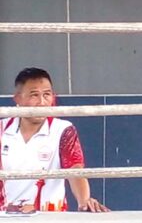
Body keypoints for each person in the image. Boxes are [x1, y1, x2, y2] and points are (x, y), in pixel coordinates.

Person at [0, 68, 108, 213]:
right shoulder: (1, 129)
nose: (42, 102)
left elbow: (75, 170)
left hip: (50, 218)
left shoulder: (63, 129)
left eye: (47, 94)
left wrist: (84, 201)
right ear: (17, 98)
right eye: (34, 95)